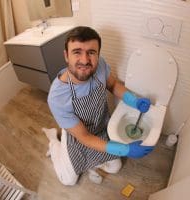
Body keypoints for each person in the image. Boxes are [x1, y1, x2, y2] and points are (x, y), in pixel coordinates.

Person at [46, 26, 153, 186]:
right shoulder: (57, 97)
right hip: (79, 136)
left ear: (98, 54)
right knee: (68, 180)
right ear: (66, 55)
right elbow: (85, 138)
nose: (84, 60)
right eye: (77, 52)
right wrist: (126, 150)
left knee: (115, 167)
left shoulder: (100, 65)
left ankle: (91, 164)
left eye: (91, 52)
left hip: (102, 127)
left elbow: (113, 85)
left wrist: (134, 100)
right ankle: (54, 141)